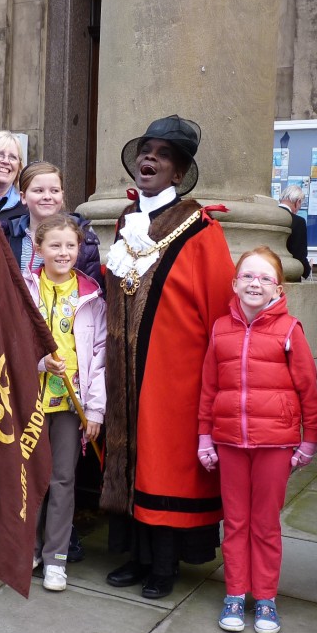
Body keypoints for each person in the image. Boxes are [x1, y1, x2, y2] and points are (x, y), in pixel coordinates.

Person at [100, 115, 235, 600]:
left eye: (162, 153)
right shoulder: (126, 223)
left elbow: (219, 310)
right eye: (145, 150)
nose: (148, 158)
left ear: (179, 173)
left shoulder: (202, 230)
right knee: (132, 453)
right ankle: (135, 555)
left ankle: (164, 564)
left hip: (174, 374)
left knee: (164, 462)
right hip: (125, 367)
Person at [197, 245, 317, 633]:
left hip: (276, 444)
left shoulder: (289, 330)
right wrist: (205, 438)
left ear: (278, 289)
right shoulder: (221, 328)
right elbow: (208, 388)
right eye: (248, 276)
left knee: (265, 524)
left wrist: (308, 441)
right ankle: (235, 593)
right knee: (235, 522)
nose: (255, 283)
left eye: (265, 278)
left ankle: (265, 597)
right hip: (231, 442)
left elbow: (308, 389)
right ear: (234, 284)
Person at [25, 214, 106, 592]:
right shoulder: (25, 290)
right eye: (54, 245)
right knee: (30, 479)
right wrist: (40, 362)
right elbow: (7, 344)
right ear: (38, 248)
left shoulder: (91, 296)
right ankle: (30, 548)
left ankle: (56, 556)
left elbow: (100, 356)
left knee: (62, 479)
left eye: (70, 245)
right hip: (29, 402)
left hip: (70, 407)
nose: (63, 252)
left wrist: (94, 409)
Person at [3, 161, 103, 288]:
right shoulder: (5, 238)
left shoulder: (85, 242)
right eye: (38, 191)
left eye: (54, 190)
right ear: (23, 197)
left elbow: (94, 291)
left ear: (62, 195)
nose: (47, 196)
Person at [278, 185, 311, 279]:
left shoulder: (269, 216)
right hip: (289, 273)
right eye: (300, 204)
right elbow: (299, 253)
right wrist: (307, 269)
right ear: (298, 201)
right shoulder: (298, 221)